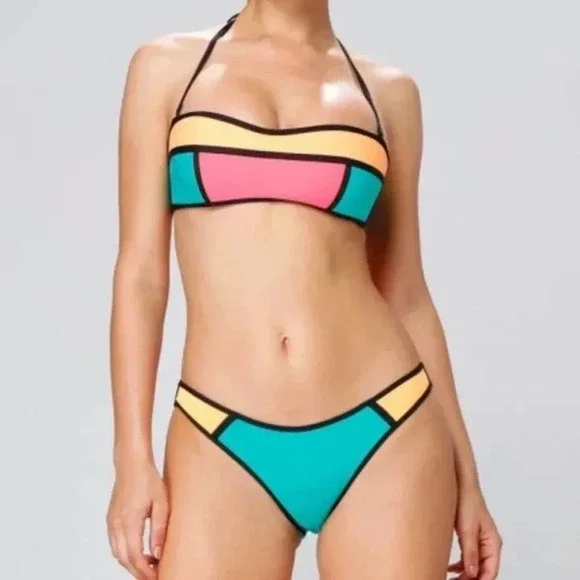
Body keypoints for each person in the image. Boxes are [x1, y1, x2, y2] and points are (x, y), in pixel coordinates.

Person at [106, 1, 502, 578]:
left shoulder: (388, 94)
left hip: (386, 423)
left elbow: (407, 293)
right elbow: (141, 275)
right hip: (220, 432)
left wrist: (468, 477)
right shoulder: (167, 68)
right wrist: (131, 456)